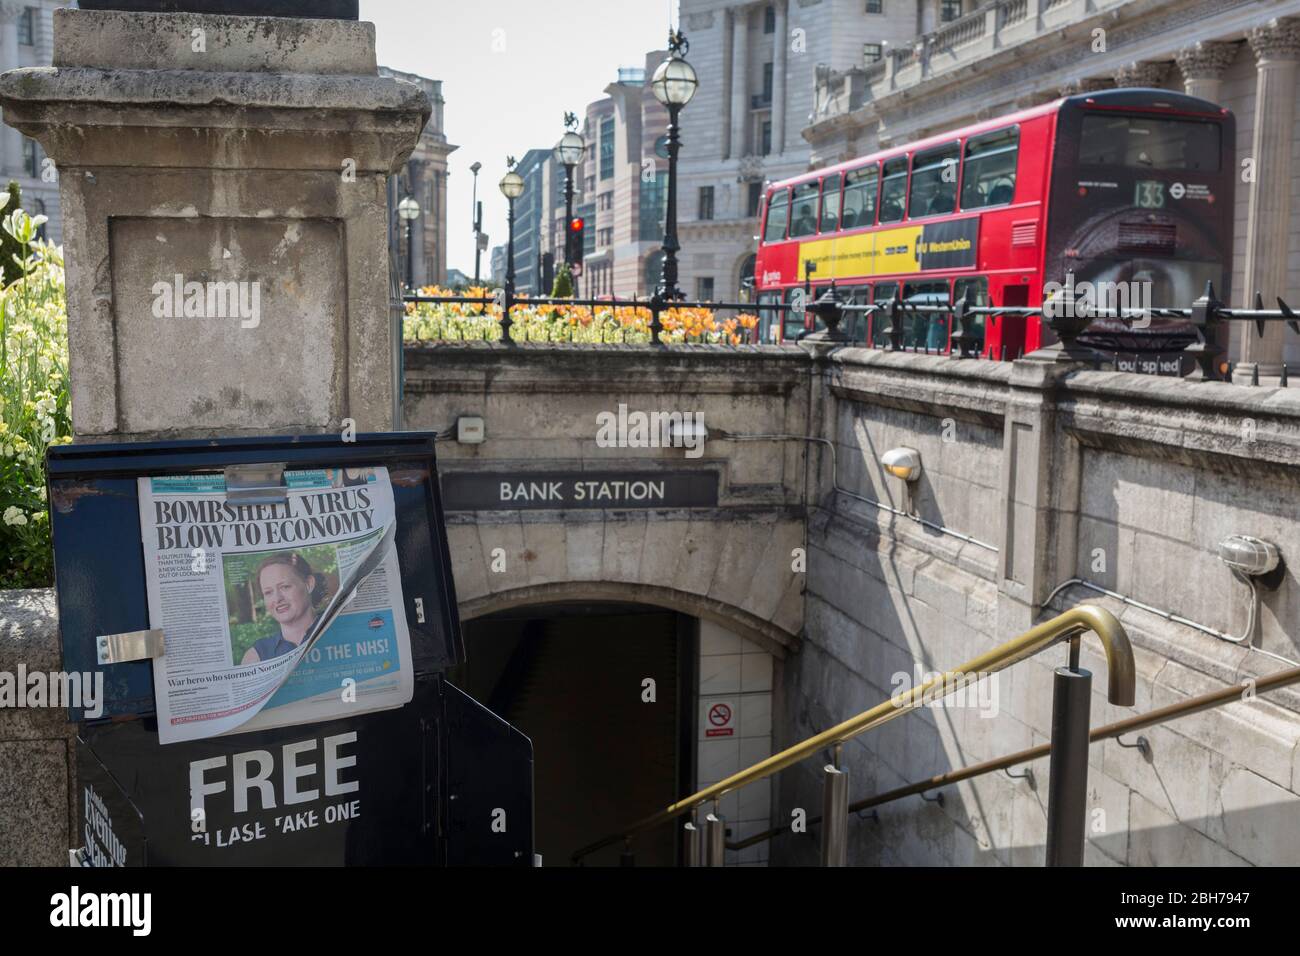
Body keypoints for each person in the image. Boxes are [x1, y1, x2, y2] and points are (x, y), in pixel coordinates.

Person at [241, 552, 326, 664]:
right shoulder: (255, 656)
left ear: (309, 584)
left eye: (285, 587)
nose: (277, 599)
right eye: (268, 592)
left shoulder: (337, 629)